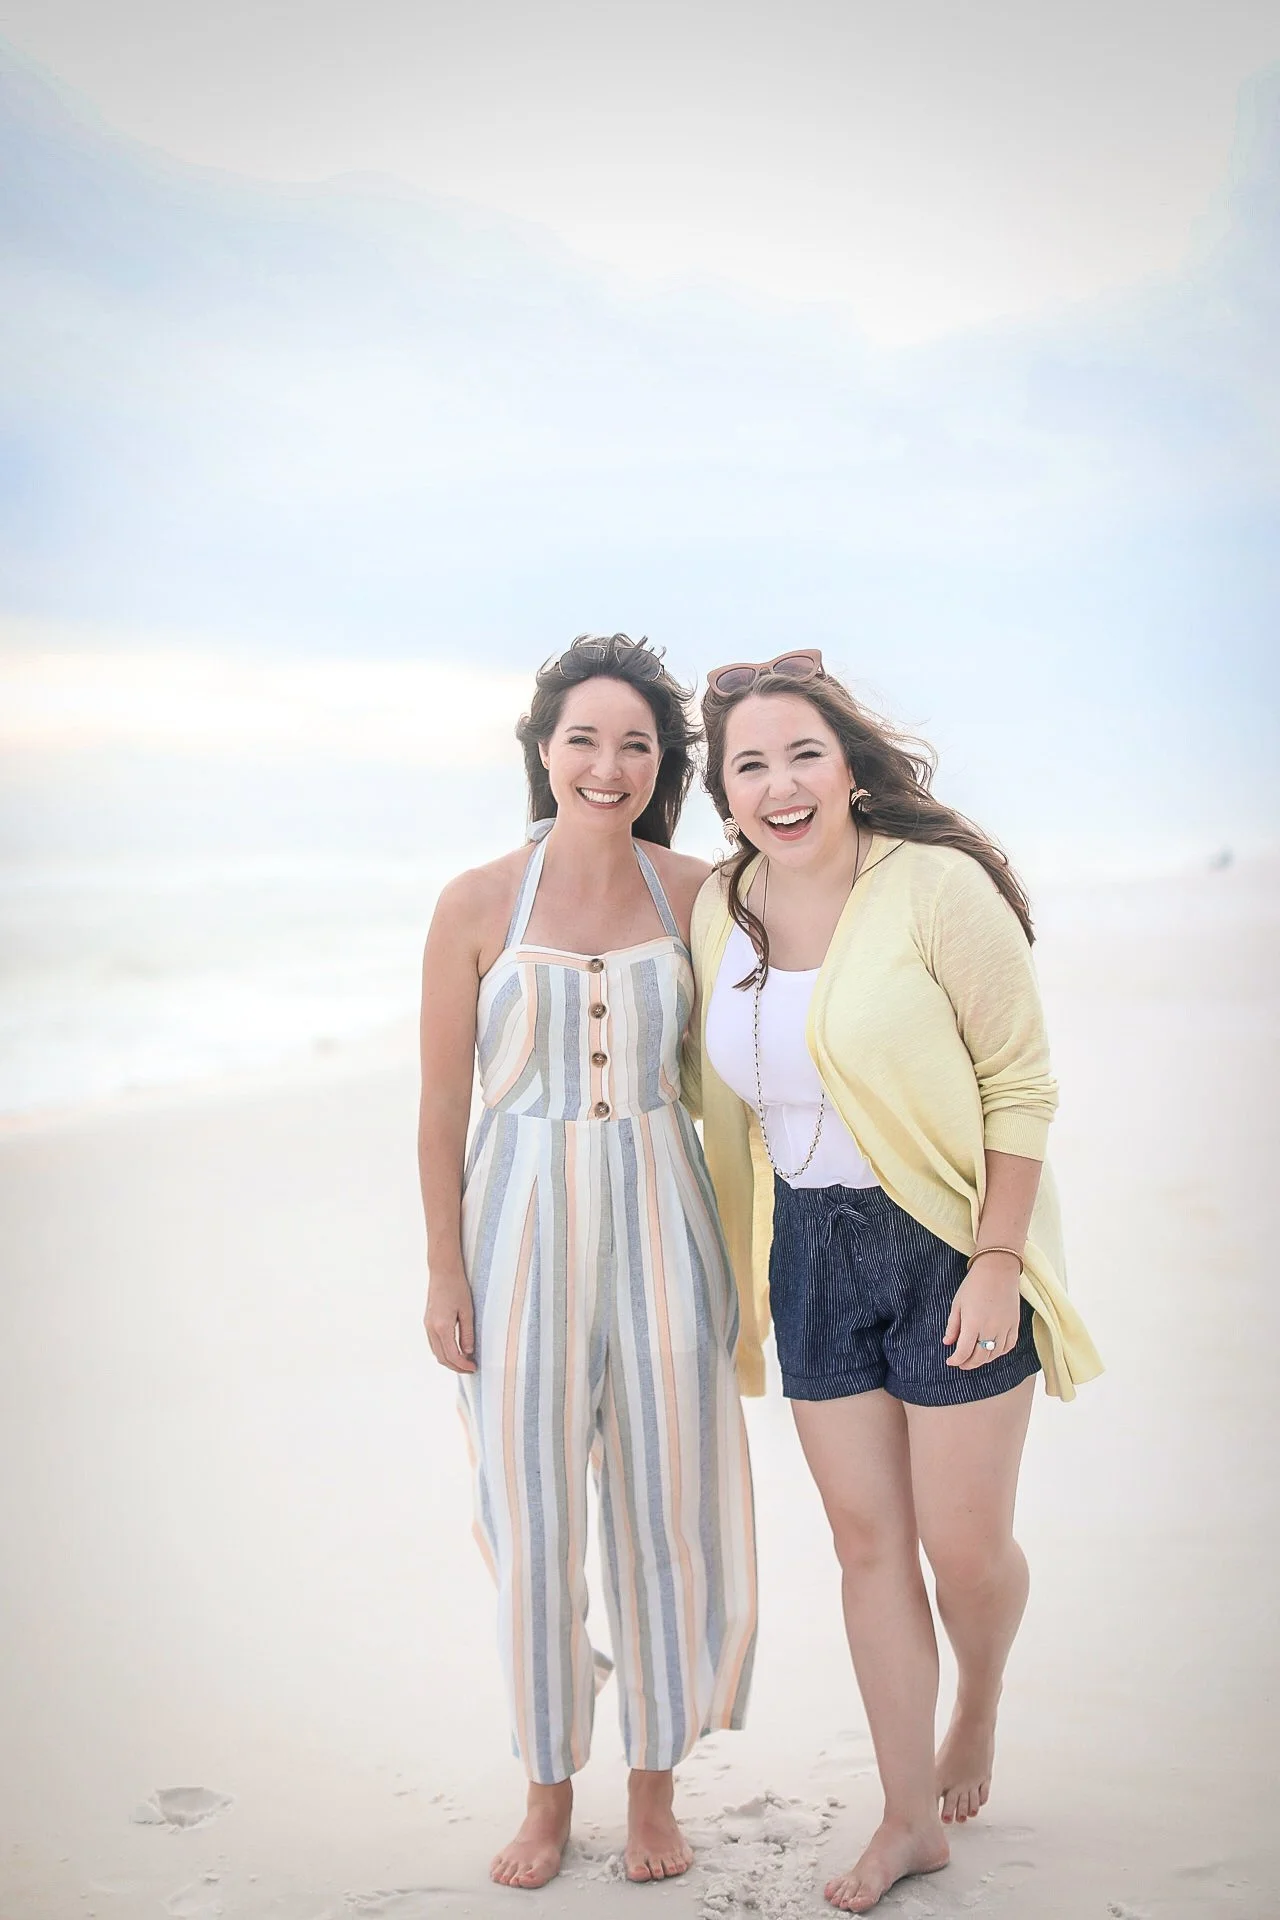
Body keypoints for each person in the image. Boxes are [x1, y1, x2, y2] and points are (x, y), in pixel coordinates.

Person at [687, 649, 1102, 1914]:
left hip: (946, 1244)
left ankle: (975, 1699)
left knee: (960, 1551)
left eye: (802, 753)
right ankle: (906, 1818)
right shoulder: (721, 906)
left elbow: (1017, 1085)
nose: (779, 783)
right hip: (808, 1253)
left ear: (852, 766)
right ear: (725, 791)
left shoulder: (932, 889)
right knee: (867, 1547)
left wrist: (993, 1262)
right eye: (748, 764)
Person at [417, 634, 757, 1891]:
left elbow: (834, 830)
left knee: (668, 1504)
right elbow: (438, 1106)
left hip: (667, 1218)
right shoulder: (472, 902)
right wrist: (444, 1272)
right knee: (531, 1514)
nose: (607, 764)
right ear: (541, 750)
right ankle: (548, 1789)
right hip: (511, 1230)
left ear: (663, 764)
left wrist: (751, 693)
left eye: (635, 744)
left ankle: (654, 1784)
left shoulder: (697, 892)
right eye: (583, 738)